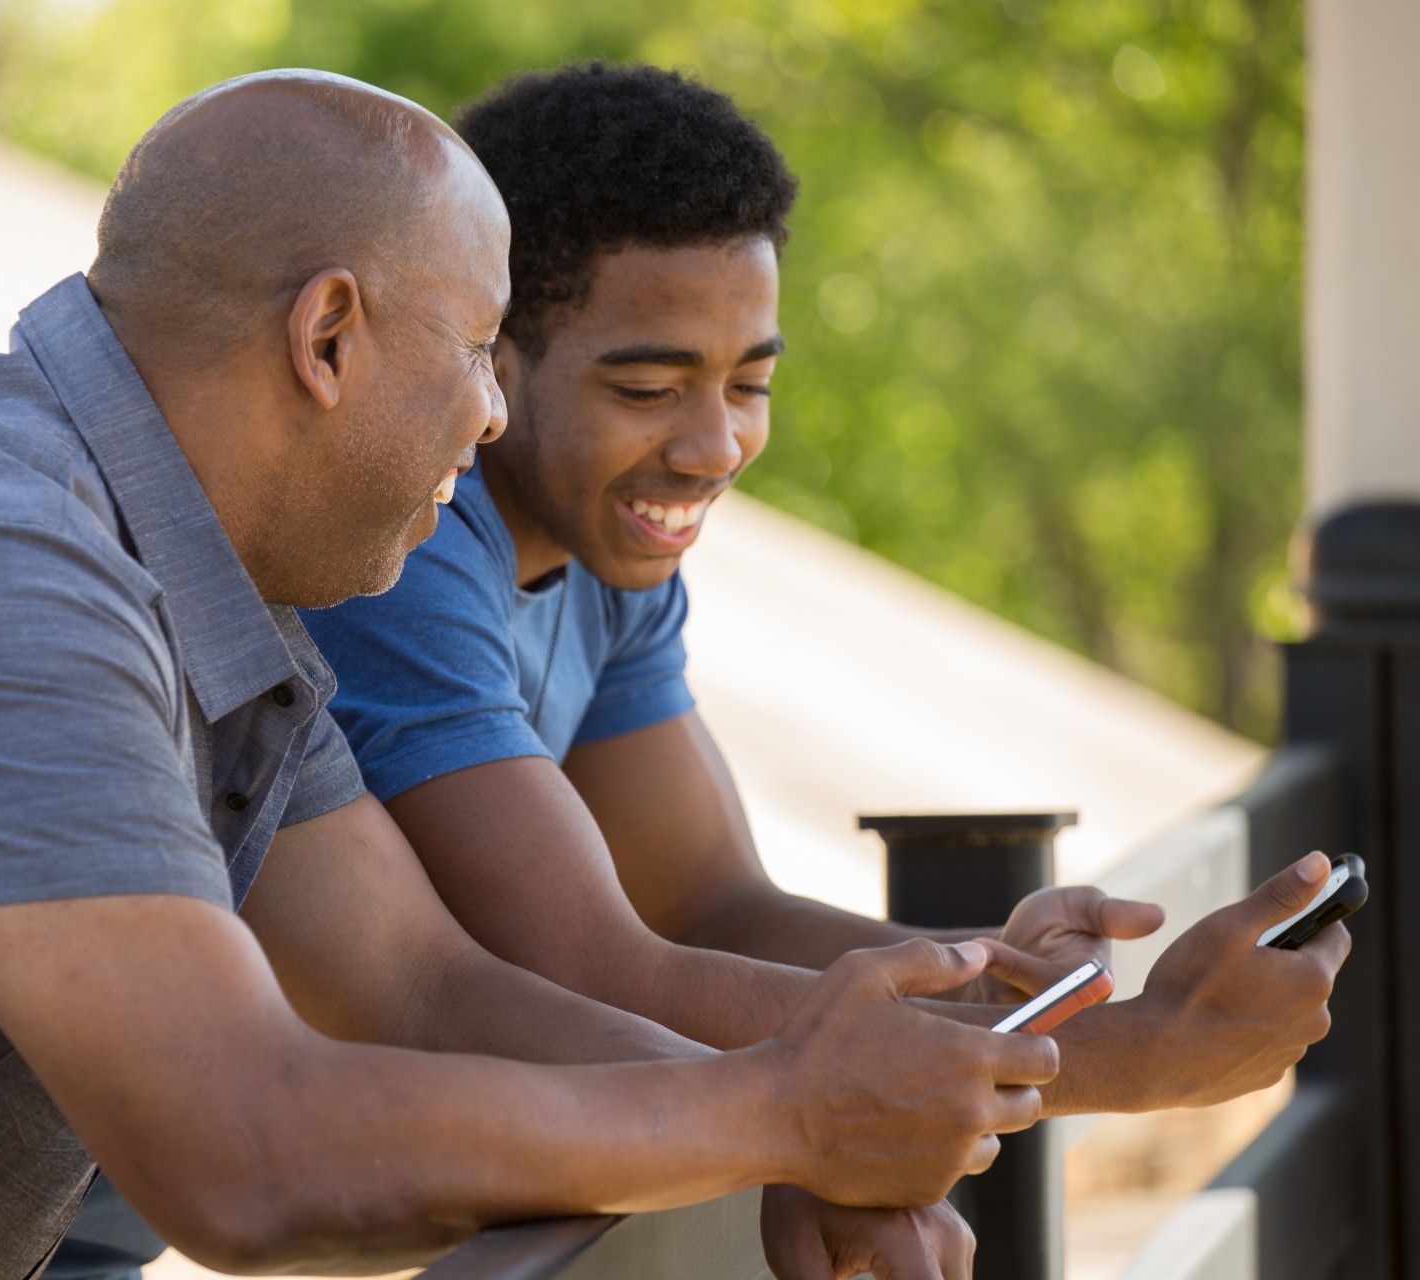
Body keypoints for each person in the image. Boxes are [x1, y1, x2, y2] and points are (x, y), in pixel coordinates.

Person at [0, 71, 1061, 1280]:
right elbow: (243, 1156)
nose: (492, 421)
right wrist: (777, 1114)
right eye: (474, 350)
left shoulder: (194, 578)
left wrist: (801, 1137)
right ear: (329, 336)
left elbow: (422, 988)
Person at [300, 60, 1347, 1129]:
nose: (715, 446)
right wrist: (1119, 1058)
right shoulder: (402, 549)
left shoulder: (608, 544)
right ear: (494, 360)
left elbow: (711, 904)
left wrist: (991, 974)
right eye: (649, 390)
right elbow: (593, 964)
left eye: (749, 383)